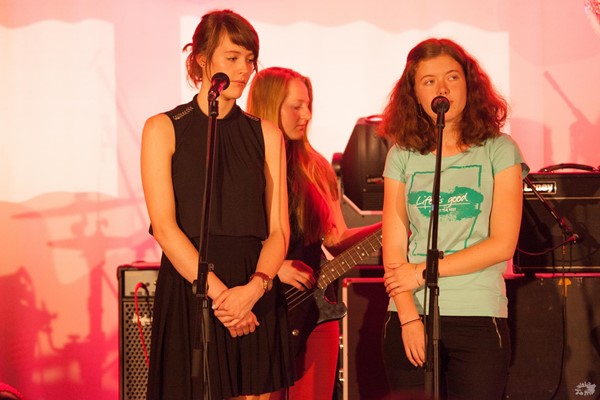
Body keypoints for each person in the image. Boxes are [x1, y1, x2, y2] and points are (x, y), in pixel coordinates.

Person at [140, 10, 294, 400]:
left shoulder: (266, 134)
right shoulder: (163, 128)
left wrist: (252, 291)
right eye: (233, 57)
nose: (244, 69)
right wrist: (223, 297)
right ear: (201, 59)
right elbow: (165, 228)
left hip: (253, 284)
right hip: (193, 283)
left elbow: (279, 230)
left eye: (250, 59)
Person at [378, 38, 529, 400]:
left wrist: (422, 272)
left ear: (469, 84)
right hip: (410, 313)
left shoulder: (499, 149)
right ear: (415, 93)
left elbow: (502, 244)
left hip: (478, 313)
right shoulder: (402, 155)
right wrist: (408, 317)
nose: (441, 88)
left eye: (452, 77)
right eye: (429, 81)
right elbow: (394, 245)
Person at [247, 67, 381, 400]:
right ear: (269, 106)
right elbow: (225, 243)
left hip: (316, 310)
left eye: (308, 105)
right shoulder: (245, 165)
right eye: (296, 106)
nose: (306, 115)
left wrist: (391, 226)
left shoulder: (315, 165)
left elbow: (336, 239)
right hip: (260, 309)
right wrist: (273, 268)